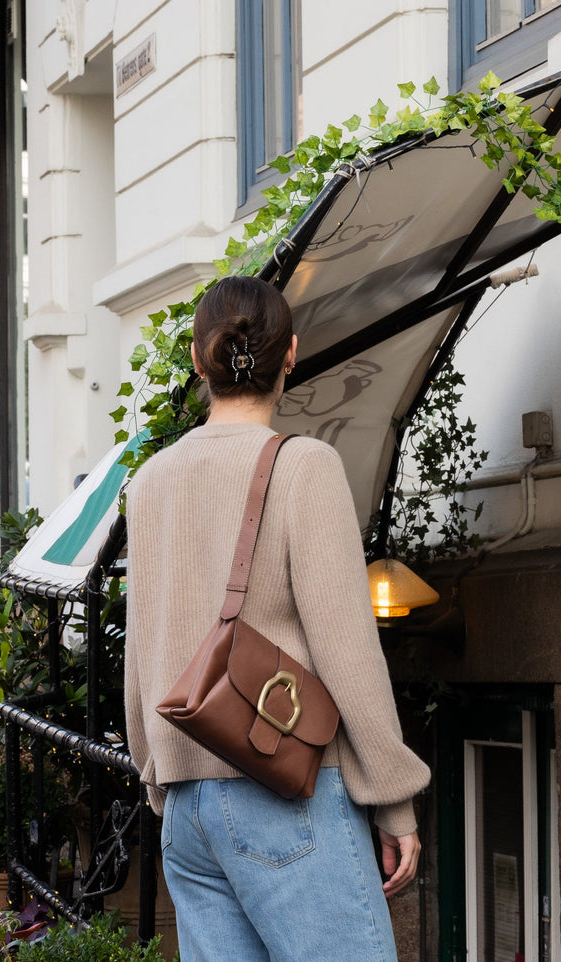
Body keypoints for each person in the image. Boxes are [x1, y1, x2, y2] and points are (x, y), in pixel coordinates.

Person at [124, 275, 431, 962]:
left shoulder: (148, 482)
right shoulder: (304, 467)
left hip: (185, 804)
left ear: (199, 362)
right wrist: (393, 796)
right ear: (290, 353)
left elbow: (140, 652)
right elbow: (347, 650)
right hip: (283, 791)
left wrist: (157, 774)